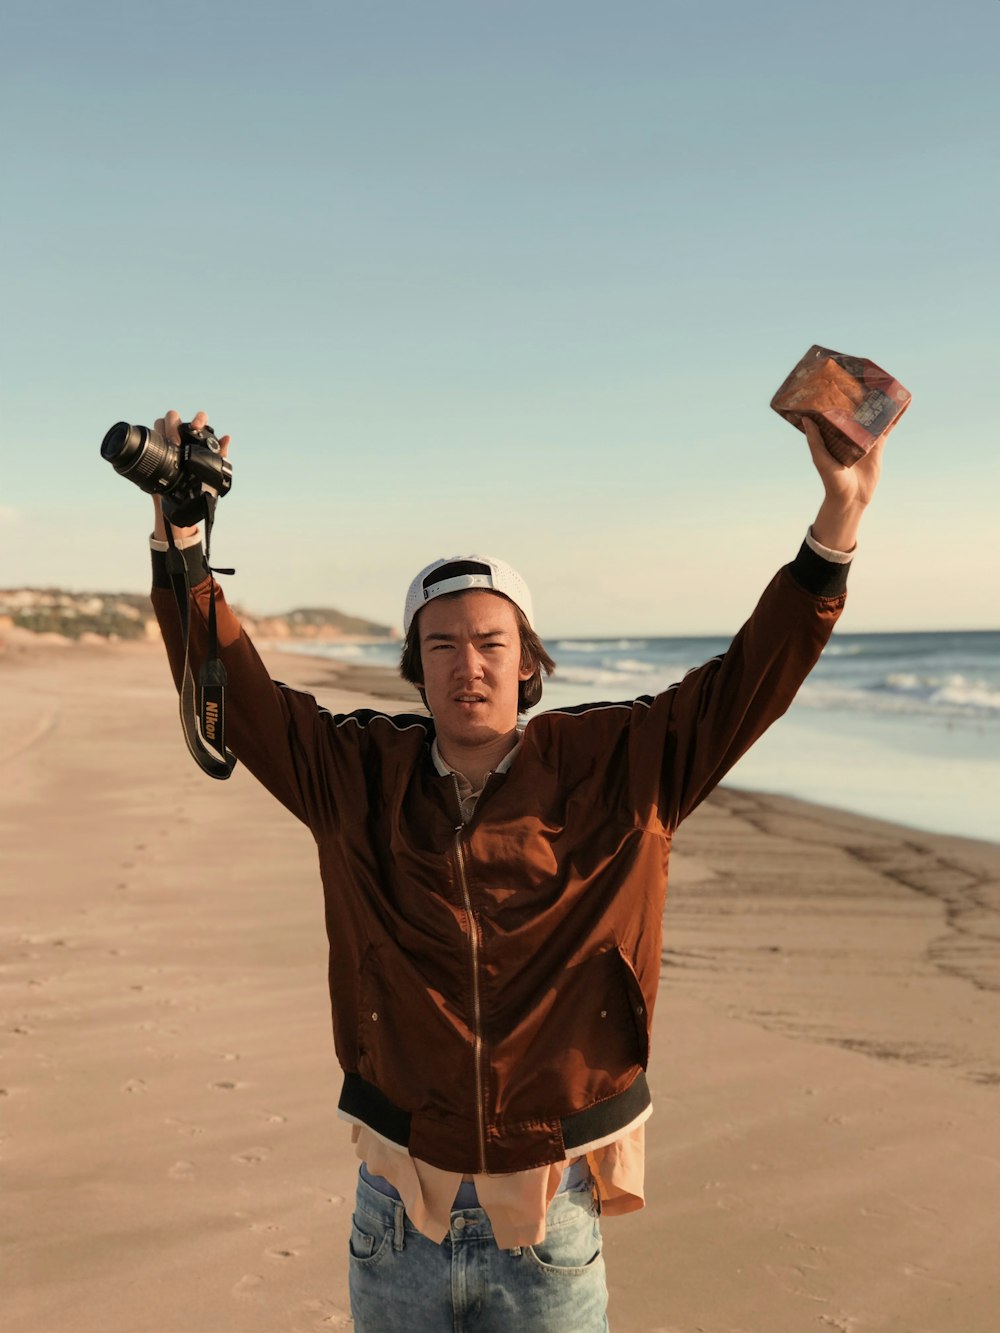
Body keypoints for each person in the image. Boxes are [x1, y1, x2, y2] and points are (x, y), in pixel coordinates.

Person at [146, 407, 885, 1331]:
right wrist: (179, 538)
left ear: (528, 661)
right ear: (415, 665)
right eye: (443, 644)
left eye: (492, 642)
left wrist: (838, 522)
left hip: (549, 1224)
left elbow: (751, 676)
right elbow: (238, 695)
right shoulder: (353, 776)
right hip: (396, 1217)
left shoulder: (621, 767)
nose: (469, 666)